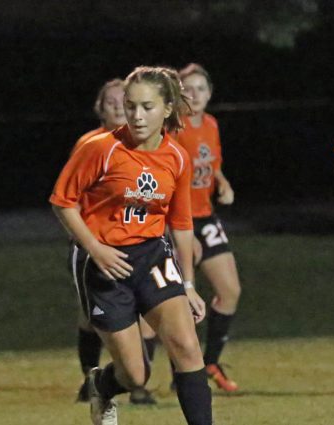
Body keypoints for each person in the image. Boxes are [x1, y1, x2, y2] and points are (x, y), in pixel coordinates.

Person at [50, 66, 213, 425]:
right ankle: (102, 385)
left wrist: (189, 285)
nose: (137, 116)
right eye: (131, 106)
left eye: (147, 107)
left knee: (187, 348)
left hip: (152, 255)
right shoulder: (100, 149)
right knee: (136, 376)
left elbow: (182, 224)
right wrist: (96, 248)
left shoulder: (177, 157)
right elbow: (62, 201)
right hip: (103, 262)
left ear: (167, 108)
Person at [72, 79, 159, 405]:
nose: (116, 106)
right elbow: (72, 197)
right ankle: (92, 379)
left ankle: (137, 385)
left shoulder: (148, 143)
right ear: (100, 107)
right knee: (91, 318)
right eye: (109, 101)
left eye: (122, 101)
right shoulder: (91, 143)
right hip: (98, 245)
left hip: (140, 245)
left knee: (149, 316)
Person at [174, 63, 242, 392]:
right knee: (175, 301)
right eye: (188, 89)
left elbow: (212, 164)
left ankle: (209, 361)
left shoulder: (211, 125)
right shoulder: (172, 129)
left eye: (201, 88)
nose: (195, 95)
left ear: (210, 93)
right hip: (178, 220)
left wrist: (222, 182)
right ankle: (182, 371)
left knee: (229, 291)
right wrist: (181, 235)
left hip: (205, 216)